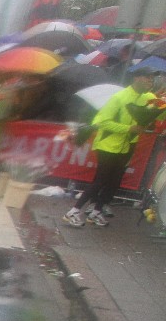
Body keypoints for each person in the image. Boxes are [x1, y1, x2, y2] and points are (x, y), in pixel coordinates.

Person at [64, 66, 159, 227]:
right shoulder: (119, 97)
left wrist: (162, 106)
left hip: (127, 145)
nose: (151, 81)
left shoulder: (149, 97)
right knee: (101, 180)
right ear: (136, 78)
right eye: (147, 77)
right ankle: (73, 211)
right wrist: (128, 129)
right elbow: (102, 122)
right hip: (107, 145)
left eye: (152, 78)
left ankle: (96, 212)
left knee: (115, 181)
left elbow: (159, 115)